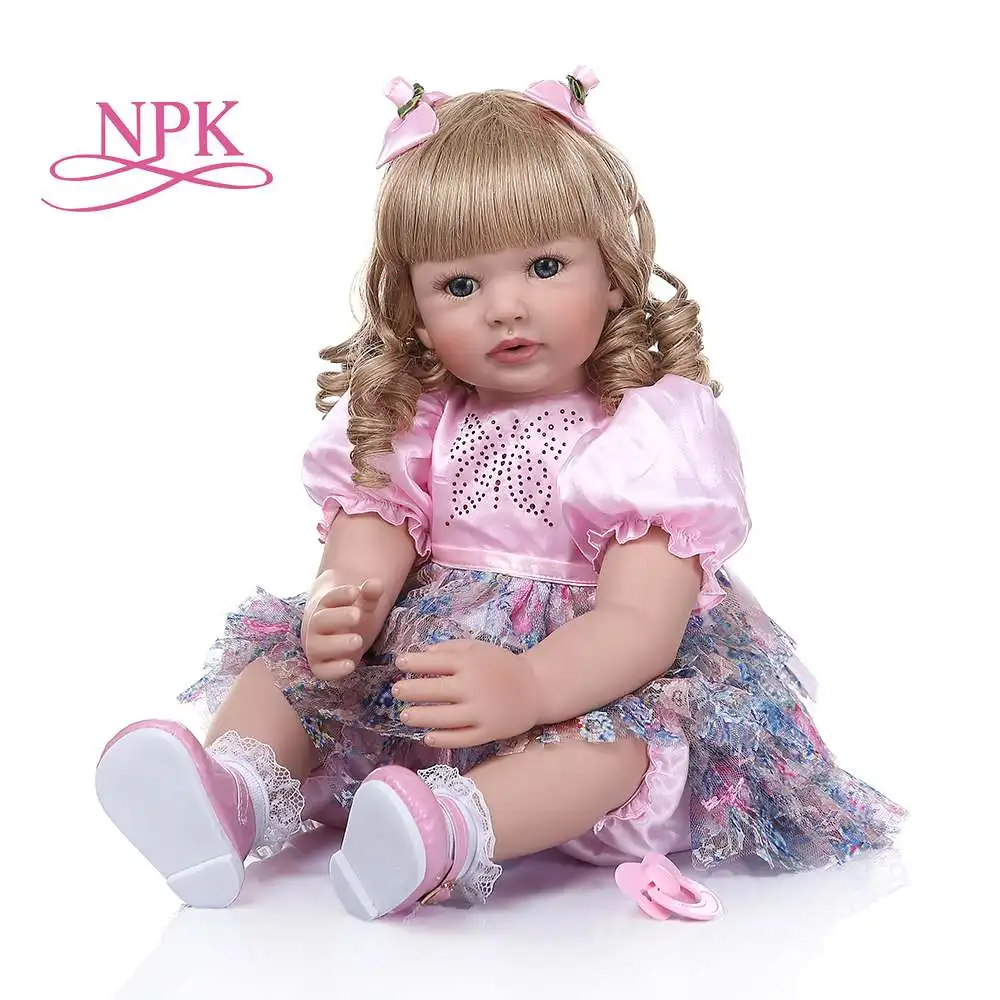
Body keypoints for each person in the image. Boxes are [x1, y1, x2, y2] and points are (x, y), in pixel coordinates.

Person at [95, 67, 906, 920]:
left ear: (614, 274)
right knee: (286, 666)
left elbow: (641, 624)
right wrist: (341, 606)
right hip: (428, 688)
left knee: (618, 746)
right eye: (460, 286)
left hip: (582, 681)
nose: (505, 308)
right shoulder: (416, 416)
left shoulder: (647, 429)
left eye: (546, 266)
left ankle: (448, 833)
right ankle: (229, 795)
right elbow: (368, 541)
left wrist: (530, 687)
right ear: (412, 309)